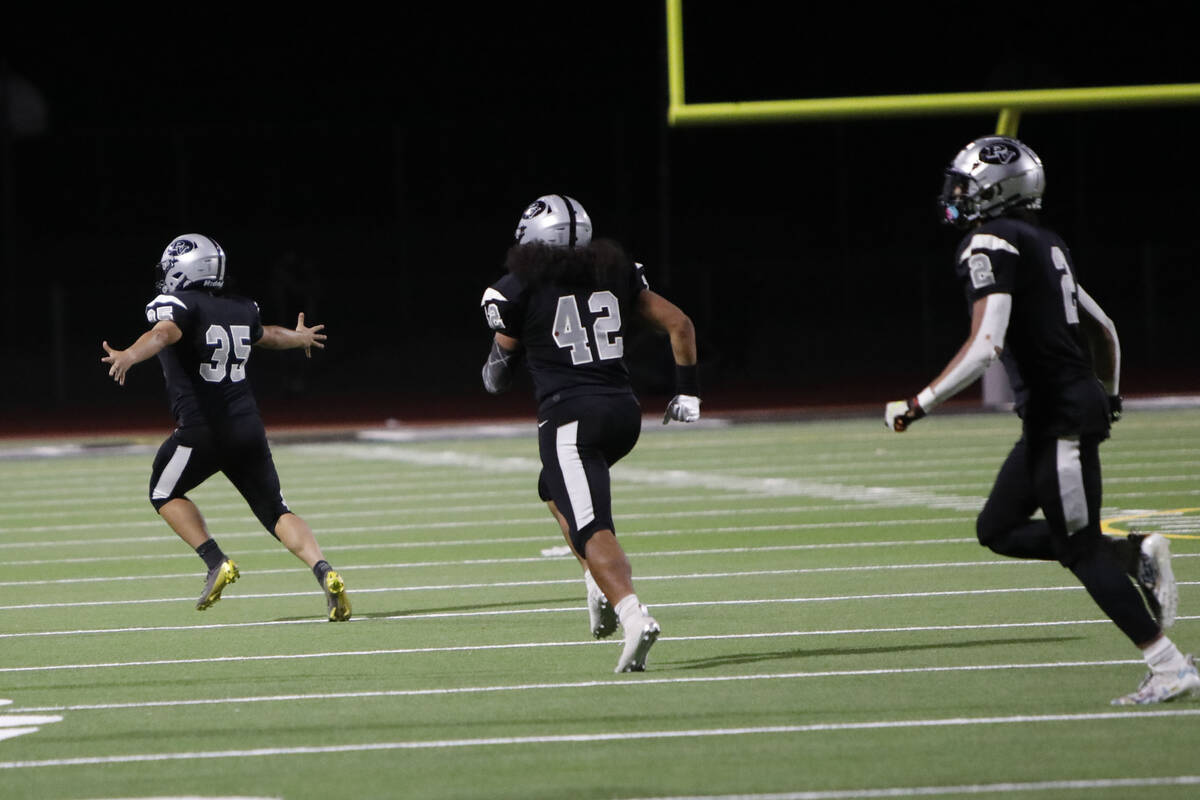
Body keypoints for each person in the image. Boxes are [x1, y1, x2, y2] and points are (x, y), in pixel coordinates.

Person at [884, 136, 1197, 705]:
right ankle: (1130, 552)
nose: (955, 195)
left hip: (1058, 416)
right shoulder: (1045, 242)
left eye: (967, 185)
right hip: (1058, 413)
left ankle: (1168, 664)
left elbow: (985, 346)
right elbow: (1104, 329)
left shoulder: (990, 241)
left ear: (997, 190)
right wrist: (1112, 394)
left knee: (1079, 552)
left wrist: (918, 403)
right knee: (996, 529)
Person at [479, 195, 701, 672]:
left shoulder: (515, 289)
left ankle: (632, 614)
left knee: (591, 524)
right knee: (551, 488)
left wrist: (506, 352)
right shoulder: (615, 272)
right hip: (623, 414)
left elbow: (495, 379)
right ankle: (594, 580)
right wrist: (688, 393)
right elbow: (680, 323)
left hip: (570, 420)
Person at [101, 233, 351, 622]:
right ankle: (325, 570)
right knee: (276, 510)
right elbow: (267, 335)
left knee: (162, 491)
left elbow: (163, 333)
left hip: (202, 430)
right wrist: (299, 337)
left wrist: (129, 356)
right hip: (248, 428)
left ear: (184, 270)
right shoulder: (240, 307)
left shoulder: (178, 305)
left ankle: (215, 561)